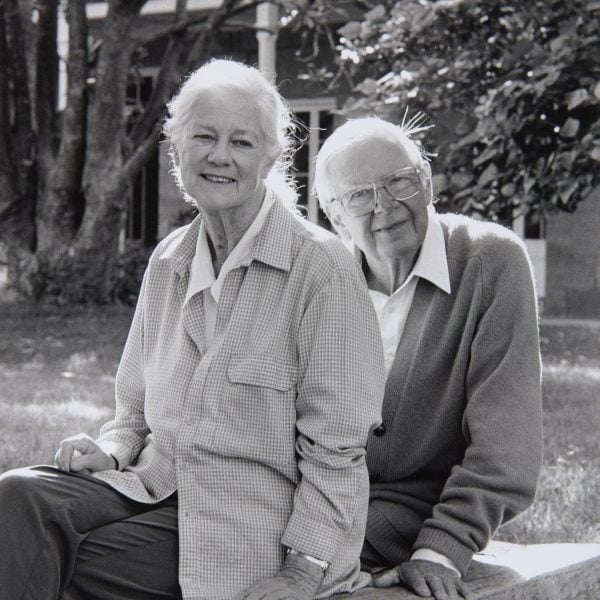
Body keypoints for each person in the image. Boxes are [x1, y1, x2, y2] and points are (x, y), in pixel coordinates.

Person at [0, 60, 385, 600]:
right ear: (176, 148)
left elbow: (337, 451)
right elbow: (133, 413)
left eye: (241, 142)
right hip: (156, 489)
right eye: (203, 136)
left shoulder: (320, 270)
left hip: (254, 523)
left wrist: (301, 572)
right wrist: (108, 452)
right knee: (16, 497)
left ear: (272, 155)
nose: (219, 156)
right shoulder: (169, 261)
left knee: (58, 564)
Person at [313, 116, 543, 600]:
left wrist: (442, 550)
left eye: (399, 182)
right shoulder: (321, 279)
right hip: (310, 501)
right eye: (359, 196)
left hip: (407, 517)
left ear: (426, 183)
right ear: (334, 216)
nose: (385, 207)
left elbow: (506, 446)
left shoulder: (490, 262)